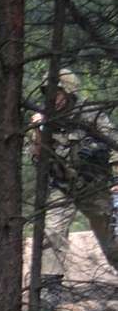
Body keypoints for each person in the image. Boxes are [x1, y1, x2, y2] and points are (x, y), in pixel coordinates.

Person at [30, 69, 118, 294]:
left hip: (94, 186)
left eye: (57, 92)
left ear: (68, 92)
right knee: (52, 231)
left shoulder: (89, 113)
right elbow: (38, 157)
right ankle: (52, 286)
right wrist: (39, 130)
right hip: (62, 186)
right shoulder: (44, 119)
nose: (53, 98)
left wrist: (103, 158)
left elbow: (114, 142)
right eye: (48, 93)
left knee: (110, 235)